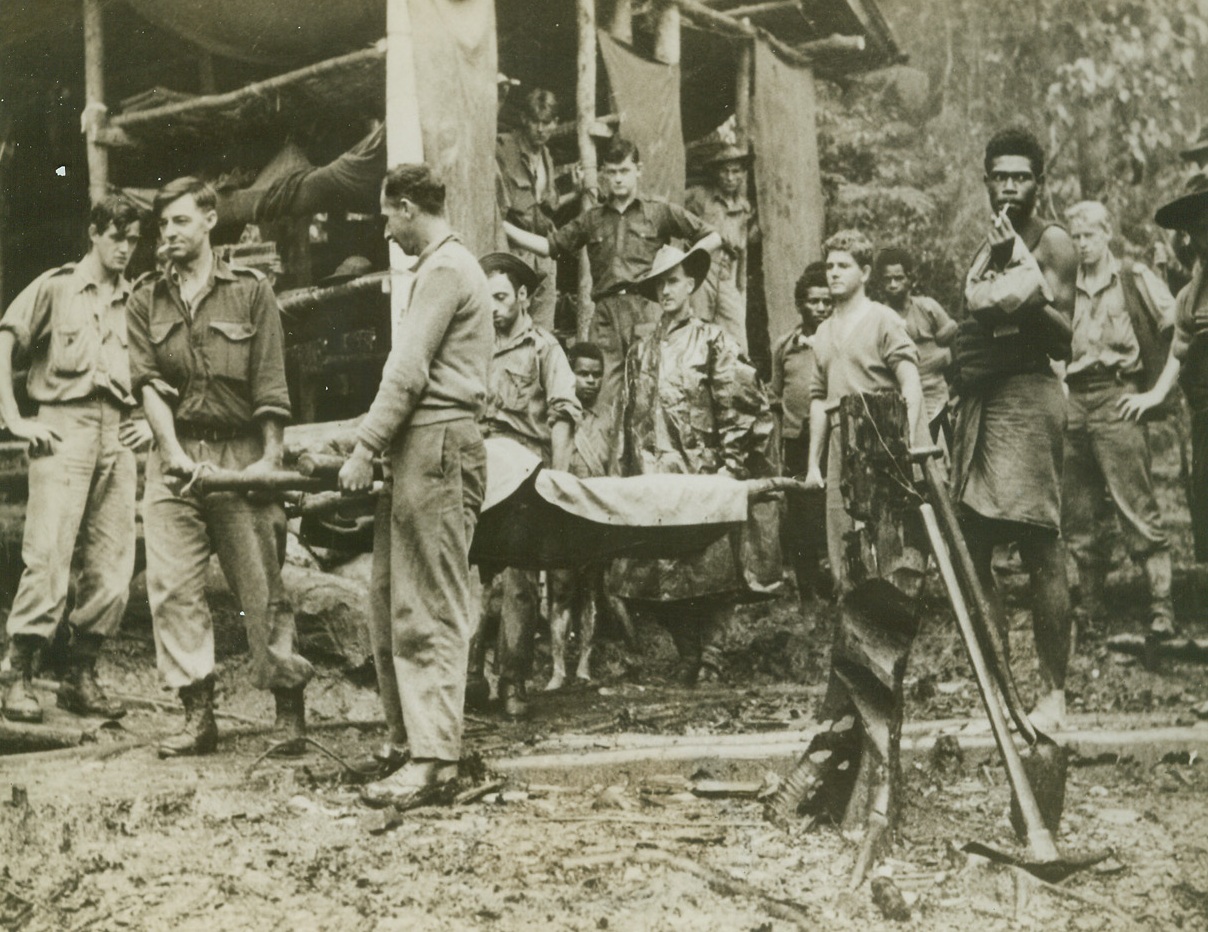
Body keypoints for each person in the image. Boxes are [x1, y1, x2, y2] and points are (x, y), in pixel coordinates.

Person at [126, 177, 314, 758]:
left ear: (210, 220)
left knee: (262, 586)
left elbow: (270, 385)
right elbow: (148, 387)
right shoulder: (144, 299)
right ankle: (197, 715)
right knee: (172, 588)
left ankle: (288, 712)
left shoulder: (251, 293)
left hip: (240, 457)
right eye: (163, 226)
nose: (169, 234)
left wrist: (270, 461)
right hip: (174, 457)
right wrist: (175, 455)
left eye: (180, 221)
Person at [339, 163, 492, 808]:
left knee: (429, 603)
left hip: (436, 444)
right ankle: (411, 744)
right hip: (420, 448)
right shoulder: (440, 269)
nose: (385, 229)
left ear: (406, 208)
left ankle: (435, 760)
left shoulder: (447, 269)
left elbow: (407, 373)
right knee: (394, 601)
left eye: (386, 216)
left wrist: (364, 446)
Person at [949, 128, 1079, 732]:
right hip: (984, 402)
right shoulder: (988, 244)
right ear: (986, 180)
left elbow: (1061, 334)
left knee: (1039, 547)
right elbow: (974, 318)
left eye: (1020, 176)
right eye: (999, 176)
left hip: (1028, 398)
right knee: (975, 551)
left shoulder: (1050, 240)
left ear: (1038, 182)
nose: (1009, 187)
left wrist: (1017, 274)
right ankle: (1000, 696)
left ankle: (1051, 696)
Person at [0, 195, 146, 724]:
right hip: (62, 427)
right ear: (94, 232)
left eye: (132, 240)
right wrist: (14, 418)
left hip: (118, 432)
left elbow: (159, 370)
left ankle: (78, 673)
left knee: (113, 566)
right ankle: (17, 674)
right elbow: (6, 339)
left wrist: (149, 422)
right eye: (116, 237)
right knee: (49, 557)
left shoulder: (138, 299)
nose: (125, 248)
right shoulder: (57, 287)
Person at [610, 244, 772, 686]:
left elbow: (738, 403)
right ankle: (688, 653)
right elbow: (628, 420)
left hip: (703, 476)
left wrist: (732, 463)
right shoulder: (640, 352)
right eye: (659, 283)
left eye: (674, 280)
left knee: (713, 572)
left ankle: (713, 658)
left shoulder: (714, 340)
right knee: (655, 575)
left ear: (691, 285)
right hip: (653, 481)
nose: (666, 290)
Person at [503, 136, 721, 415]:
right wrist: (506, 228)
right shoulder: (592, 218)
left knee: (651, 394)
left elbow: (712, 236)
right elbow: (550, 246)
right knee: (601, 399)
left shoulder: (658, 211)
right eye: (612, 172)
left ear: (638, 170)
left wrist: (682, 264)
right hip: (605, 317)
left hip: (646, 311)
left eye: (624, 171)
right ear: (604, 173)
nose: (618, 179)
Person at [1061, 200, 1177, 640]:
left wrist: (1155, 393)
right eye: (1075, 236)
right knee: (1079, 514)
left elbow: (1181, 332)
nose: (1082, 244)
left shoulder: (1133, 278)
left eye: (1089, 234)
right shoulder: (1062, 285)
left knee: (1137, 508)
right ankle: (1091, 610)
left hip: (1119, 396)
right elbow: (1048, 342)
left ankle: (1162, 609)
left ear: (1107, 232)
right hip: (1074, 402)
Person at [475, 251, 581, 718]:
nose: (492, 308)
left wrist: (556, 482)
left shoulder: (544, 349)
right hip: (476, 469)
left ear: (521, 297)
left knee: (519, 580)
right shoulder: (470, 344)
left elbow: (562, 413)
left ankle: (514, 680)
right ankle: (470, 678)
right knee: (469, 576)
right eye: (485, 299)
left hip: (523, 476)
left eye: (500, 297)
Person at [1122, 170, 1208, 578]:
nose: (1204, 241)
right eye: (1197, 231)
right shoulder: (1190, 295)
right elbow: (1181, 349)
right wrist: (1155, 394)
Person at [546, 341, 616, 691]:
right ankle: (558, 669)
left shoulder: (609, 417)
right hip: (561, 514)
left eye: (596, 375)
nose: (590, 381)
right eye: (582, 373)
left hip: (596, 515)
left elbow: (615, 465)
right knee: (560, 590)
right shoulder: (557, 416)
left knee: (590, 589)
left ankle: (585, 665)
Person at [770, 261, 831, 604]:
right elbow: (775, 394)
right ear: (800, 304)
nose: (821, 308)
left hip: (832, 437)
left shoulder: (839, 341)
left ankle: (835, 580)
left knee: (830, 510)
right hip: (796, 440)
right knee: (801, 514)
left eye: (827, 301)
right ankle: (807, 586)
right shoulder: (786, 346)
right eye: (813, 301)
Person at [875, 247, 958, 445]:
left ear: (909, 279)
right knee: (905, 449)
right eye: (887, 279)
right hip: (897, 397)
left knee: (939, 451)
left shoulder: (927, 307)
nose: (893, 284)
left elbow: (952, 340)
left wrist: (955, 386)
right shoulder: (879, 315)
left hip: (934, 394)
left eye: (899, 278)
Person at [496, 88, 563, 331]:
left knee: (542, 330)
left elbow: (546, 207)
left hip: (543, 253)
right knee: (511, 328)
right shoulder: (504, 149)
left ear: (555, 123)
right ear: (524, 119)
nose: (541, 129)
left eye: (547, 122)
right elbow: (497, 207)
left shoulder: (546, 156)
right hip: (515, 253)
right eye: (535, 121)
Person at [685, 145, 760, 353]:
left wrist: (740, 286)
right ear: (716, 173)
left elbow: (742, 250)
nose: (729, 177)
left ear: (743, 174)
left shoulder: (744, 207)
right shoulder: (699, 197)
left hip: (726, 274)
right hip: (701, 270)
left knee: (736, 336)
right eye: (724, 171)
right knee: (698, 328)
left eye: (735, 171)